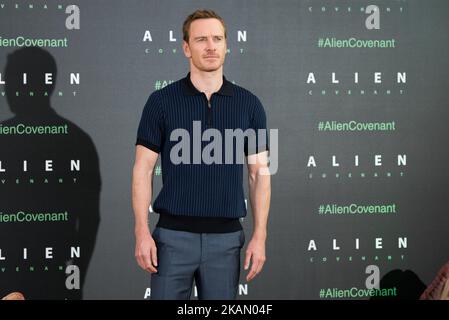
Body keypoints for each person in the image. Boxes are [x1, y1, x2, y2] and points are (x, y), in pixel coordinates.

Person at [132, 9, 271, 300]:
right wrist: (141, 232)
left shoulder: (250, 104)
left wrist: (260, 235)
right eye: (201, 39)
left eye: (217, 38)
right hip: (171, 239)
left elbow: (259, 173)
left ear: (226, 45)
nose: (210, 46)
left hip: (226, 240)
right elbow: (142, 169)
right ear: (186, 47)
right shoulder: (160, 102)